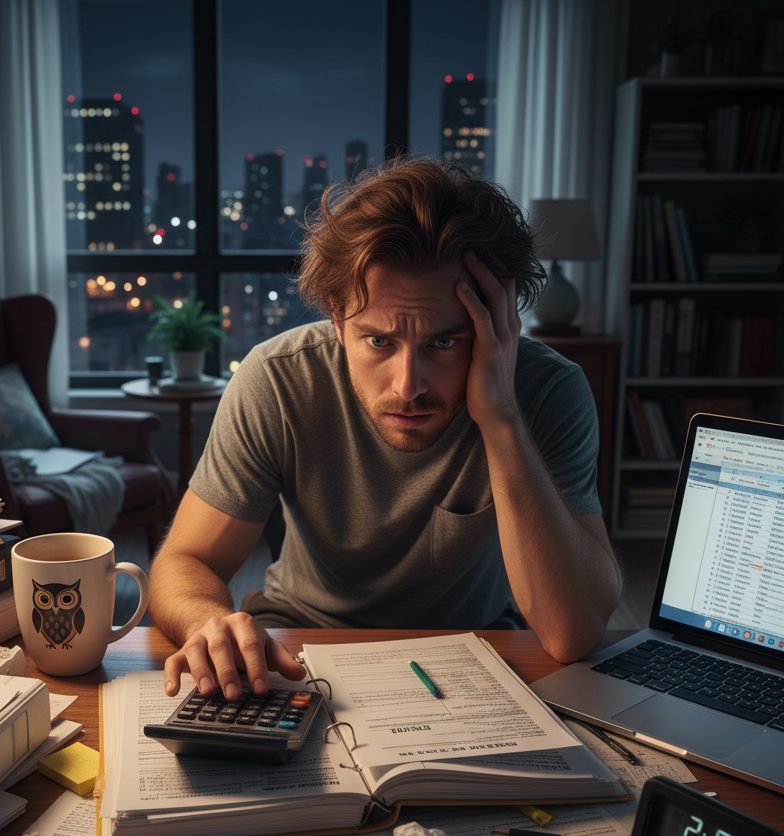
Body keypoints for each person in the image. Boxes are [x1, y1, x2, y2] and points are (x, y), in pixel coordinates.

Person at [149, 155, 622, 701]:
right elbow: (186, 560)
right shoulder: (277, 379)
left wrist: (501, 417)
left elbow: (573, 632)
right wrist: (207, 619)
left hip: (473, 657)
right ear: (336, 317)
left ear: (498, 323)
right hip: (299, 650)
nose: (408, 386)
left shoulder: (548, 392)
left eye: (445, 342)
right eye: (379, 341)